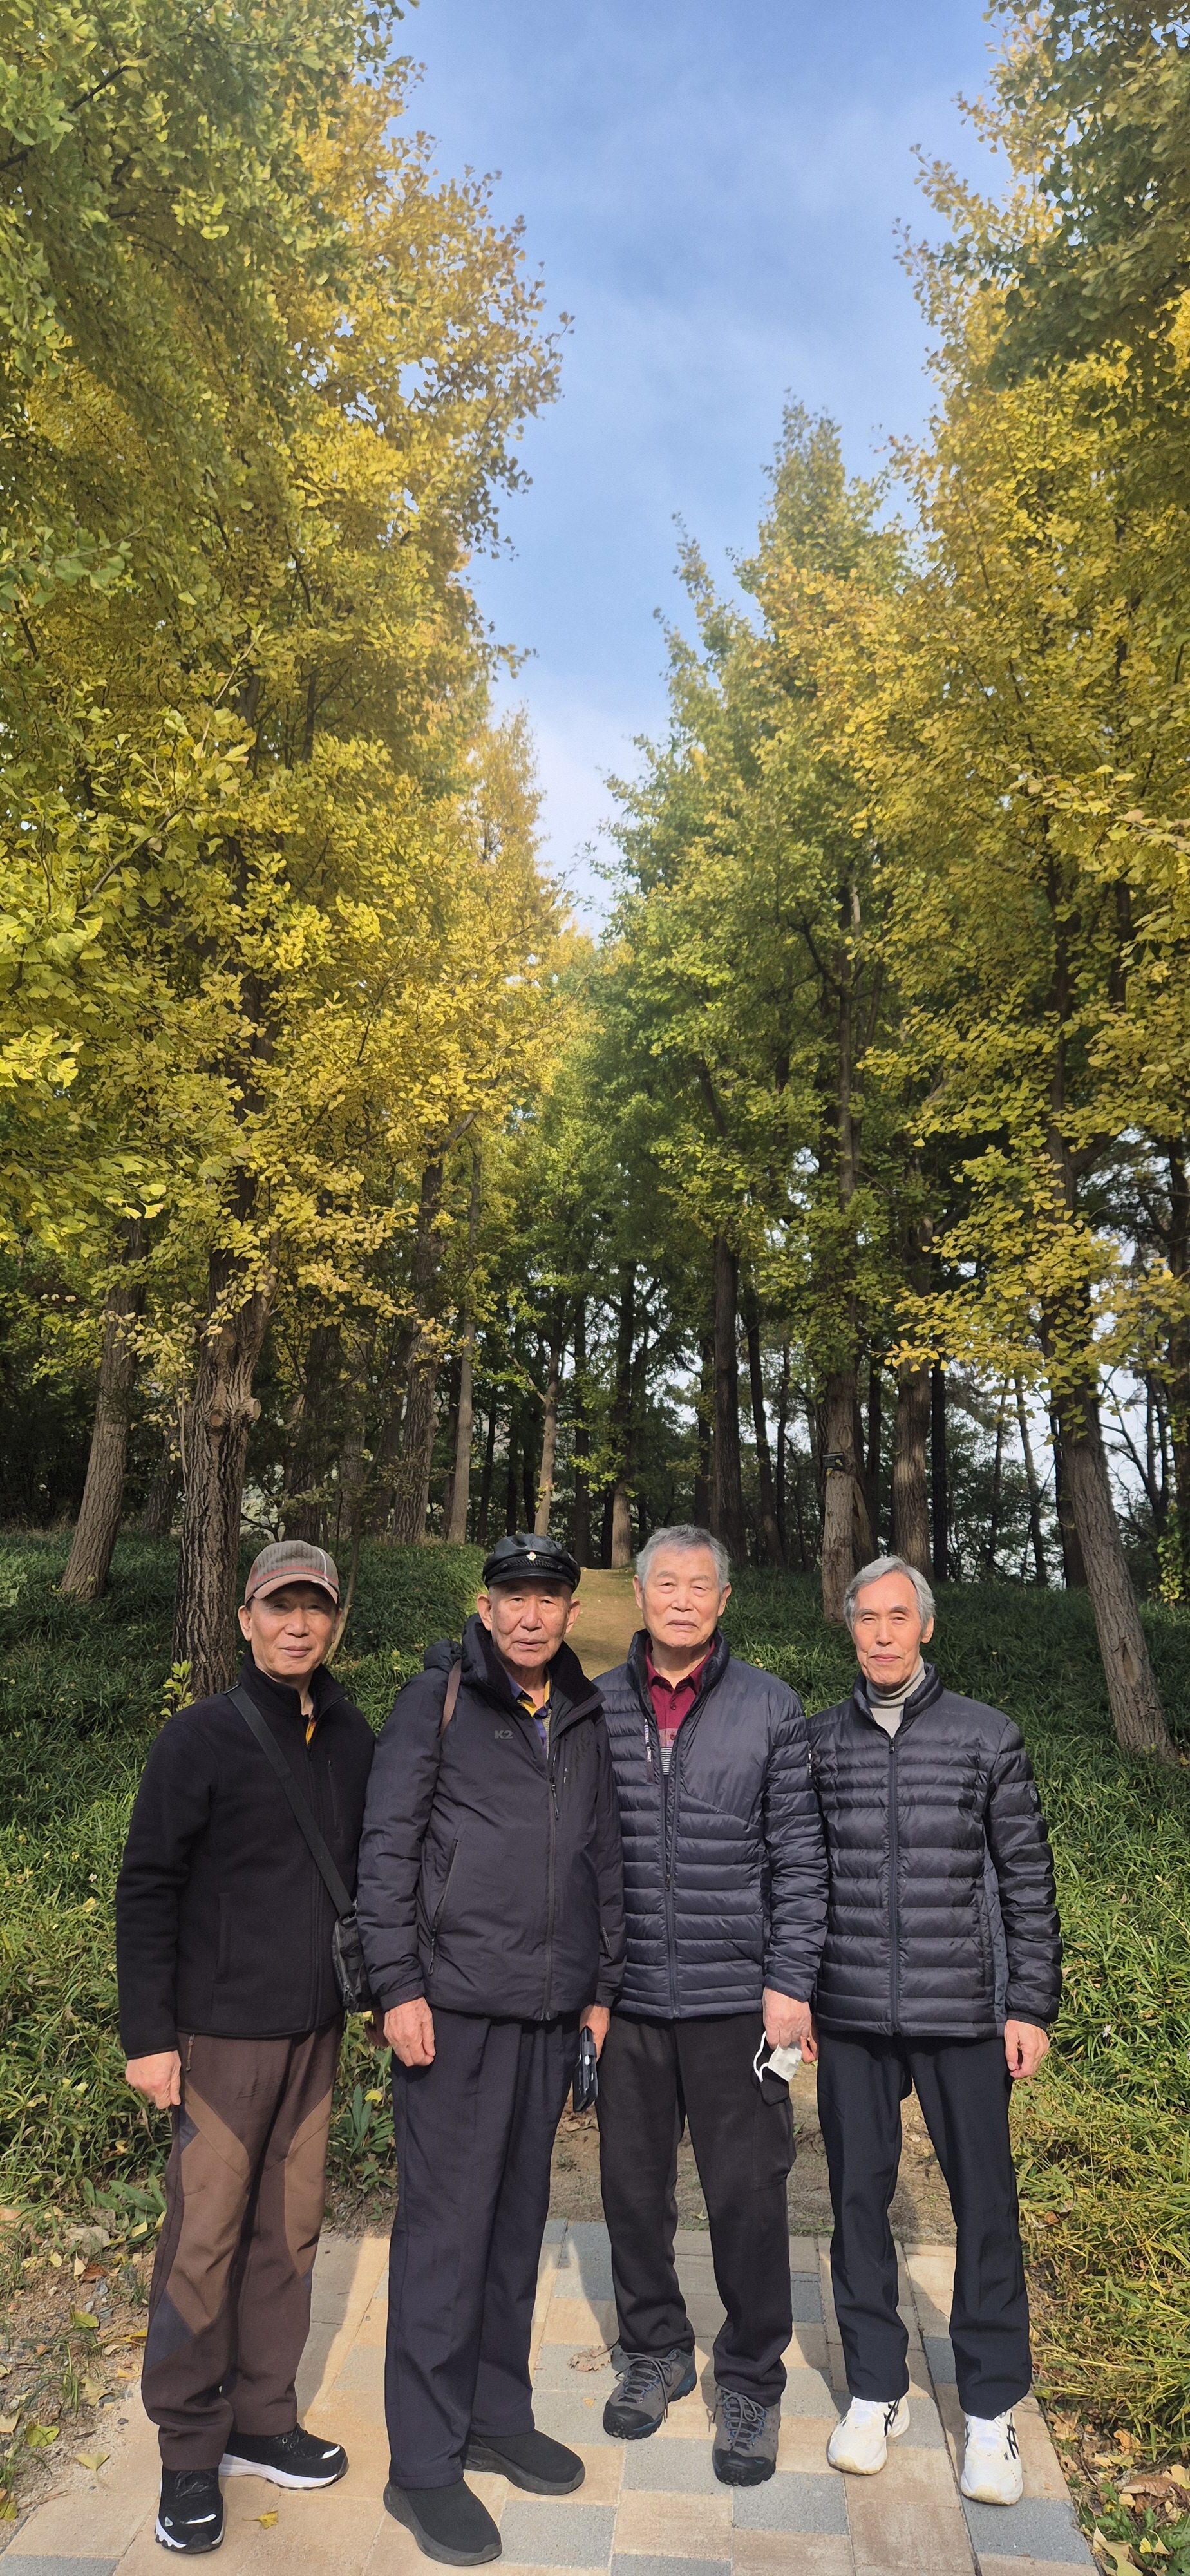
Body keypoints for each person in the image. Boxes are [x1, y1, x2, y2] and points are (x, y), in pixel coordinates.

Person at [356, 1530, 625, 2568]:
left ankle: (494, 2415)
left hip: (550, 2016)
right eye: (512, 1596)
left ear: (569, 1612)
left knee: (516, 2229)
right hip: (453, 2013)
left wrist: (600, 1993)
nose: (529, 1614)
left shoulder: (584, 1712)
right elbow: (387, 1850)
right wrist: (397, 1988)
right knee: (445, 2237)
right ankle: (423, 2465)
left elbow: (603, 1856)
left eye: (548, 1598)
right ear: (484, 1606)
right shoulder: (437, 1702)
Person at [116, 1539, 375, 2557]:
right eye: (279, 1607)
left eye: (314, 1608)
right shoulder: (199, 1738)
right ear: (245, 1620)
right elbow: (147, 1887)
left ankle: (263, 2418)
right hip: (218, 2040)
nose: (297, 1625)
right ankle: (189, 2450)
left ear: (335, 1621)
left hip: (314, 2034)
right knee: (204, 2242)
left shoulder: (350, 1734)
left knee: (291, 2232)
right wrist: (149, 2037)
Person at [806, 1554, 1062, 2506]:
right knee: (855, 2201)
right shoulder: (818, 1741)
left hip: (965, 2013)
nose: (881, 1634)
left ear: (925, 1626)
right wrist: (797, 1993)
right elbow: (799, 1875)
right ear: (850, 1628)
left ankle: (990, 2411)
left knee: (984, 2209)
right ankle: (876, 2390)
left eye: (897, 1617)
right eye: (865, 1618)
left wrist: (1029, 2003)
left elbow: (1026, 1877)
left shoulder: (986, 1736)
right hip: (851, 2013)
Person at [594, 1525, 828, 2489]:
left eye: (701, 1585)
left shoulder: (771, 1706)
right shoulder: (596, 1704)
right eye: (667, 1583)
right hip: (630, 2001)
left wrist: (791, 1982)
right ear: (640, 1595)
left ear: (725, 1601)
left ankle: (751, 2379)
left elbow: (801, 1857)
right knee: (632, 2190)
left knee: (747, 2196)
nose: (683, 1599)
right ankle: (653, 2349)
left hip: (739, 2001)